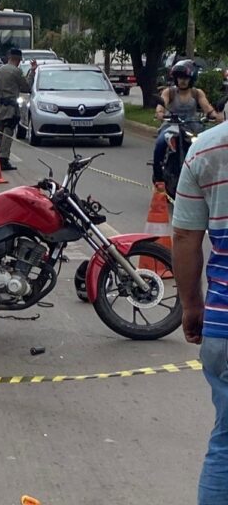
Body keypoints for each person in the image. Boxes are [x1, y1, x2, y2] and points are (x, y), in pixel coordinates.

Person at [172, 114, 228, 504]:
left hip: (223, 324)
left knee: (225, 443)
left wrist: (191, 305)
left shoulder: (205, 149)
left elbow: (184, 237)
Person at [152, 60, 221, 184]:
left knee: (209, 142)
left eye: (185, 78)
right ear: (175, 78)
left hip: (192, 126)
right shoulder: (169, 92)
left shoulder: (197, 93)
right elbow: (161, 106)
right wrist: (160, 113)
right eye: (179, 77)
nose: (182, 80)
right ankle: (158, 177)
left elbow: (207, 108)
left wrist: (215, 116)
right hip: (172, 126)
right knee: (160, 143)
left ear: (191, 79)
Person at [0, 48, 33, 171]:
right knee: (7, 133)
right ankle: (4, 159)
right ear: (18, 60)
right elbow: (26, 87)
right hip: (10, 109)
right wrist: (32, 73)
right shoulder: (16, 71)